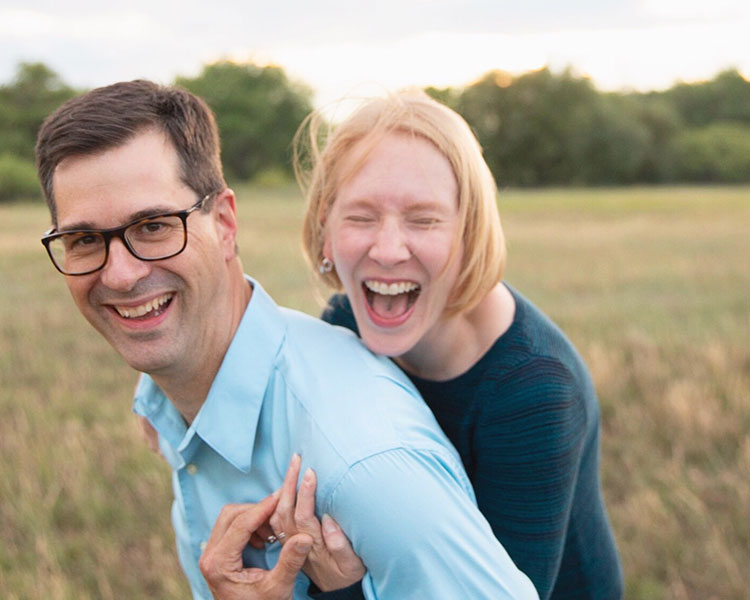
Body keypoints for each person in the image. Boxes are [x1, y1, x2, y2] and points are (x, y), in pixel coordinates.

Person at [35, 80, 539, 600]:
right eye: (84, 239)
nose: (120, 275)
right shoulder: (174, 396)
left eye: (154, 226)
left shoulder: (366, 465)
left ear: (224, 224)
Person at [282, 90, 624, 599]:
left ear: (470, 236)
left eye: (424, 219)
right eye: (360, 217)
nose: (388, 250)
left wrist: (341, 587)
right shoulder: (344, 325)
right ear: (325, 232)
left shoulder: (535, 392)